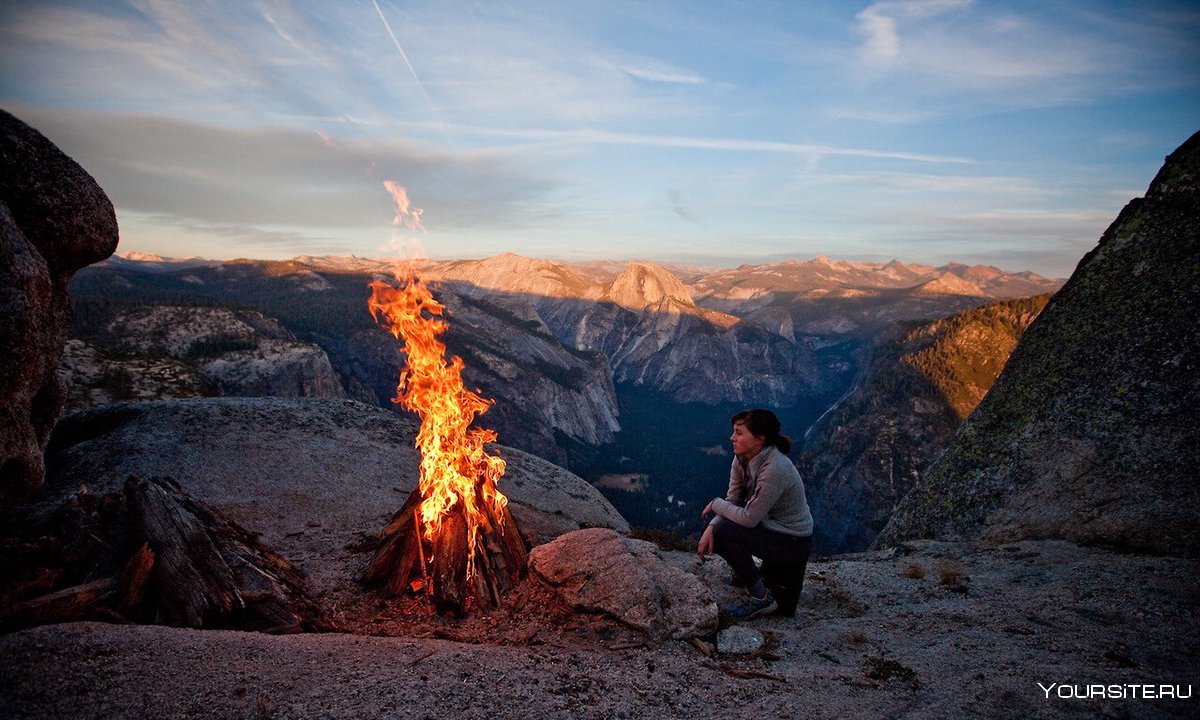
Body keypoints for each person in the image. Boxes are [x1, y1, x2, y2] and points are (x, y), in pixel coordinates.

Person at [698, 408, 814, 619]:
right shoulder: (741, 458)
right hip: (772, 529)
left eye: (739, 433)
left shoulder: (775, 469)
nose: (732, 438)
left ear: (759, 439)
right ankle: (754, 581)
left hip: (793, 543)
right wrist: (713, 525)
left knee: (784, 610)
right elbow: (733, 501)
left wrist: (716, 505)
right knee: (721, 529)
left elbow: (749, 519)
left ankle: (761, 598)